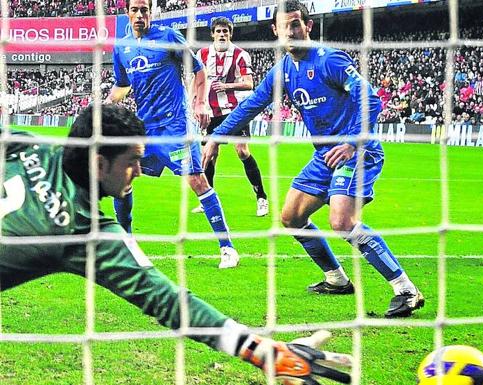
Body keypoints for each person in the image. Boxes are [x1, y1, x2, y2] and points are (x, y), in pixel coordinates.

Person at [0, 104, 351, 385]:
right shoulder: (88, 233)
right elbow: (168, 300)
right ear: (100, 164)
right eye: (132, 162)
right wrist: (262, 352)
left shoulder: (30, 143)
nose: (138, 170)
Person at [203, 0, 424, 318]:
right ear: (274, 31)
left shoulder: (329, 59)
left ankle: (406, 290)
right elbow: (250, 105)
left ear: (308, 26)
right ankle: (336, 279)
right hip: (325, 156)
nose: (290, 31)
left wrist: (351, 141)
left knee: (342, 221)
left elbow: (370, 98)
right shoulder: (283, 71)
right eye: (284, 26)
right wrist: (217, 137)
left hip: (357, 151)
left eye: (296, 24)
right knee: (291, 217)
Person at [106, 0, 240, 268]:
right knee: (121, 177)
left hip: (176, 126)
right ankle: (128, 244)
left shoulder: (169, 37)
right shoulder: (121, 48)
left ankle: (227, 248)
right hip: (145, 130)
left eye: (145, 10)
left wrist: (201, 102)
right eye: (135, 10)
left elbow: (199, 71)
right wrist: (105, 105)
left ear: (152, 12)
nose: (140, 15)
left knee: (197, 182)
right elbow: (122, 86)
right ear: (127, 13)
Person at [192, 17, 269, 217]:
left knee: (242, 151)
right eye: (218, 31)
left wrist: (226, 86)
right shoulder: (202, 54)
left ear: (230, 34)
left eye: (225, 31)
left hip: (235, 110)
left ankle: (261, 198)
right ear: (212, 34)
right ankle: (207, 200)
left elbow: (249, 83)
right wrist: (194, 103)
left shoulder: (240, 55)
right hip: (210, 112)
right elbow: (197, 81)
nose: (222, 35)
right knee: (209, 155)